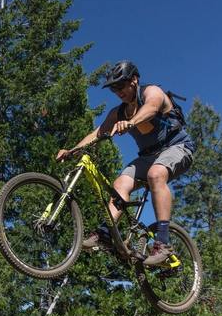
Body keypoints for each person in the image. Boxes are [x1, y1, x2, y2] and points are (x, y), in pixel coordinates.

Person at [55, 60, 195, 266]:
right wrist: (72, 151)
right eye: (114, 88)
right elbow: (98, 132)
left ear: (134, 80)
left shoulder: (151, 92)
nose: (118, 91)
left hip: (177, 147)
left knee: (156, 174)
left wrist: (131, 122)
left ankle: (163, 243)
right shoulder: (117, 113)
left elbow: (152, 108)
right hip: (148, 156)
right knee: (119, 184)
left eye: (121, 85)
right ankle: (105, 234)